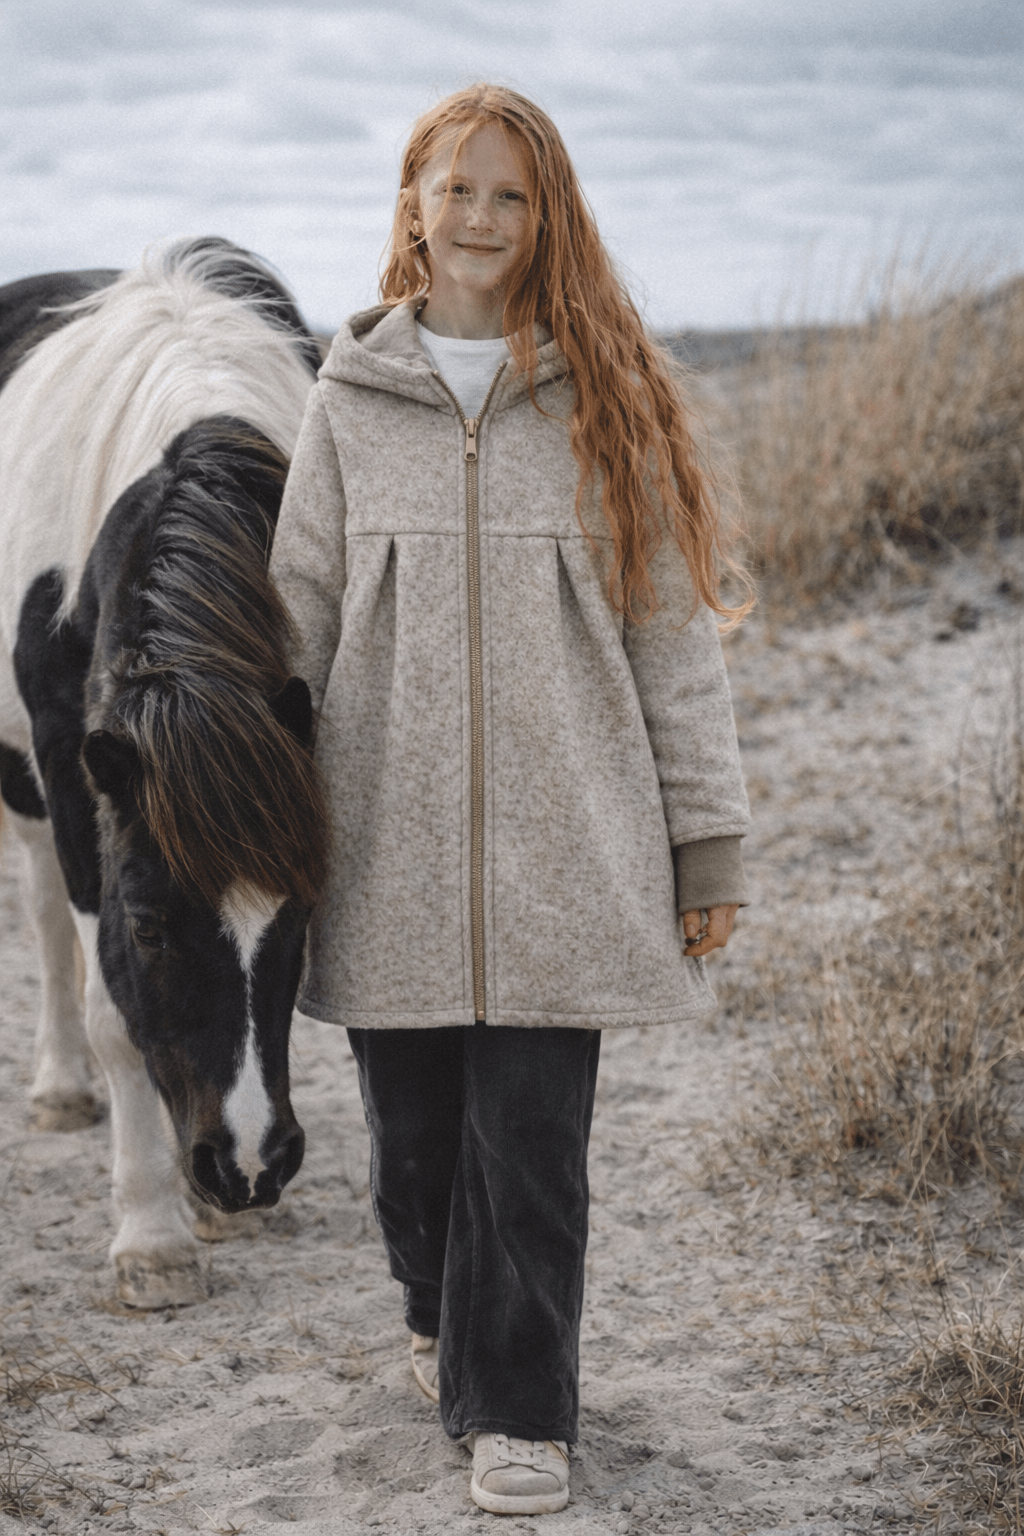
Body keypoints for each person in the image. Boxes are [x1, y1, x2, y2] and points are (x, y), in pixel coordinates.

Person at [269, 83, 752, 1517]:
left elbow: (671, 628)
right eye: (456, 188)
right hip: (388, 848)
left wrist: (704, 838)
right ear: (411, 205)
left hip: (570, 845)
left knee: (532, 1146)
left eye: (510, 196)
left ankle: (524, 1412)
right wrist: (249, 788)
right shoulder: (349, 401)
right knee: (414, 1152)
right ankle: (436, 1313)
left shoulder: (601, 397)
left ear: (548, 222)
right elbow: (296, 610)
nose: (480, 217)